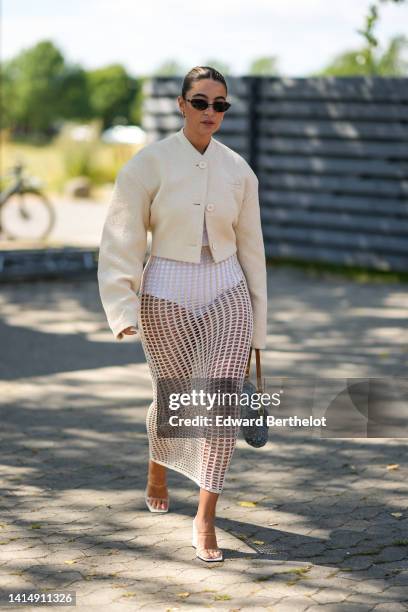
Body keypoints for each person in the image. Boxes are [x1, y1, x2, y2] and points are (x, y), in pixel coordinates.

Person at [97, 66, 268, 562]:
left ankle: (205, 516)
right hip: (165, 294)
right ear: (181, 104)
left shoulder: (239, 170)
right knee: (173, 399)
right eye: (201, 102)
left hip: (227, 291)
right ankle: (158, 462)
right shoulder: (146, 165)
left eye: (220, 105)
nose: (210, 112)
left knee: (219, 402)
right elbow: (121, 238)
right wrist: (121, 305)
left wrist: (260, 324)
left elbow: (253, 250)